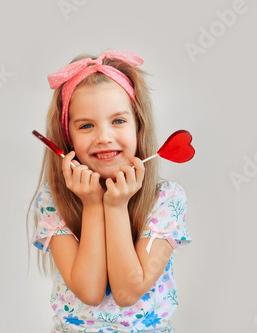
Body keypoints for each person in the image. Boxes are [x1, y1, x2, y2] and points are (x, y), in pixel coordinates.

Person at [28, 49, 192, 332]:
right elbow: (89, 293)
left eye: (118, 121)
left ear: (139, 126)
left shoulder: (166, 198)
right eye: (86, 125)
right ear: (67, 137)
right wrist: (92, 205)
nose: (104, 138)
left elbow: (127, 293)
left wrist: (116, 207)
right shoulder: (54, 199)